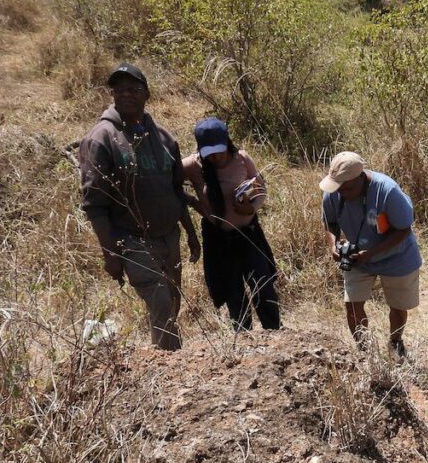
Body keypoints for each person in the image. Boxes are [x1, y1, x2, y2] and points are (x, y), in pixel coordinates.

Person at [78, 62, 200, 351]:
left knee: (171, 301)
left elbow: (175, 191)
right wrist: (111, 255)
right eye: (119, 90)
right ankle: (171, 369)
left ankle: (165, 361)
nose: (126, 94)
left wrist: (191, 234)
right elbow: (94, 205)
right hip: (132, 240)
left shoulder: (164, 138)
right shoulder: (101, 138)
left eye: (133, 88)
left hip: (169, 236)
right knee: (159, 303)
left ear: (147, 94)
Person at [182, 118, 281, 332]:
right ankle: (243, 337)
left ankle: (274, 333)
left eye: (219, 151)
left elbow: (261, 189)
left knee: (263, 286)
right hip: (219, 238)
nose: (216, 157)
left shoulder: (242, 159)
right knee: (232, 292)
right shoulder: (192, 165)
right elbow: (168, 182)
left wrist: (251, 208)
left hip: (249, 234)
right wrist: (192, 202)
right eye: (210, 153)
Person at [320, 152, 422, 358]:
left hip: (397, 257)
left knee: (398, 306)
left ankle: (395, 342)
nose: (340, 193)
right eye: (337, 187)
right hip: (358, 257)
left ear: (360, 178)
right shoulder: (334, 190)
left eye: (346, 188)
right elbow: (329, 222)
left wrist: (372, 253)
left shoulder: (387, 191)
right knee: (352, 305)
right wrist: (333, 245)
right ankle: (364, 352)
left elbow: (404, 229)